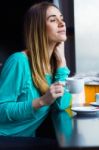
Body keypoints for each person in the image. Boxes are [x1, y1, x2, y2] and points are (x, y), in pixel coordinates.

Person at [0, 1, 71, 137]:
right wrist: (42, 101)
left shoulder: (54, 64)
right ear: (38, 28)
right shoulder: (19, 61)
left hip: (25, 140)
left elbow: (62, 105)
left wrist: (62, 62)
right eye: (53, 20)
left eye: (61, 19)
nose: (62, 24)